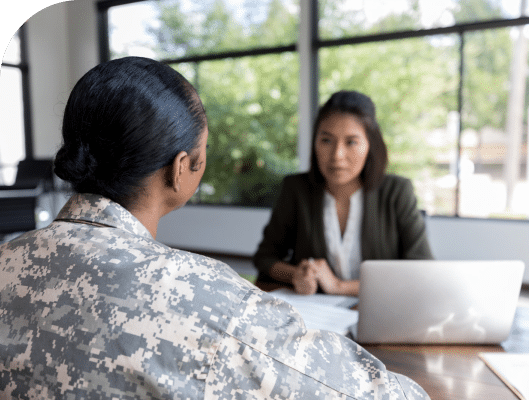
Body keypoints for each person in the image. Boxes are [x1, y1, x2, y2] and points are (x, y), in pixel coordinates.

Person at [0, 57, 429, 399]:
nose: (337, 153)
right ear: (182, 169)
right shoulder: (206, 298)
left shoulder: (6, 261)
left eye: (351, 141)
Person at [253, 90, 433, 296]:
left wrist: (339, 286)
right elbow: (265, 258)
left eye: (351, 142)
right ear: (315, 143)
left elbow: (422, 271)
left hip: (379, 312)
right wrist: (296, 274)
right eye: (326, 140)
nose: (337, 155)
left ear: (369, 146)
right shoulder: (296, 188)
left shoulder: (396, 192)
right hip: (316, 316)